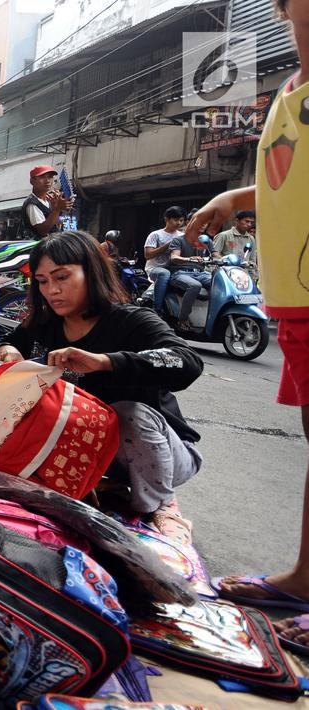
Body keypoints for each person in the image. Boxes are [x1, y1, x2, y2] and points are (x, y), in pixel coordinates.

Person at [189, 0, 308, 651]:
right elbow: (291, 184)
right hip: (293, 298)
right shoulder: (290, 92)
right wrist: (233, 197)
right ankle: (304, 575)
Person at [0, 230, 203, 541]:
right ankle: (104, 487)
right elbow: (10, 342)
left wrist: (106, 361)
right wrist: (7, 351)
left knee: (128, 414)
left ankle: (163, 503)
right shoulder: (43, 328)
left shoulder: (132, 321)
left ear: (90, 271)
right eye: (42, 281)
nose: (52, 290)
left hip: (164, 454)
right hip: (94, 454)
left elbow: (187, 361)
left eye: (62, 277)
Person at [167, 228, 215, 331]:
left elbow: (216, 255)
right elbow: (174, 257)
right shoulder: (178, 240)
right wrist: (189, 258)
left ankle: (213, 318)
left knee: (218, 283)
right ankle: (183, 319)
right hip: (181, 272)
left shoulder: (206, 240)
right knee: (194, 285)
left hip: (201, 273)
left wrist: (229, 259)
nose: (202, 227)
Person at [143, 206, 187, 315]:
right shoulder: (155, 235)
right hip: (155, 269)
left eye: (181, 220)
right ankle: (157, 308)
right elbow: (147, 255)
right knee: (164, 273)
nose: (179, 223)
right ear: (167, 219)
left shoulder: (183, 236)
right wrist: (167, 246)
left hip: (175, 269)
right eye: (176, 220)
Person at [22, 165, 73, 238]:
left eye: (50, 177)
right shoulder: (32, 204)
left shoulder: (48, 201)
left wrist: (55, 209)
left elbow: (55, 226)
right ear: (32, 181)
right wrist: (57, 209)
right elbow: (42, 230)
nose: (47, 181)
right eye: (42, 177)